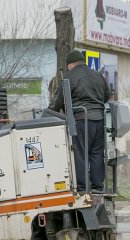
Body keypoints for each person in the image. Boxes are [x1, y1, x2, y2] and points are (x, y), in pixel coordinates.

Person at [48, 50, 111, 192]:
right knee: (97, 153)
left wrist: (46, 116)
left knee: (80, 153)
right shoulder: (98, 75)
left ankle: (82, 188)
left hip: (81, 120)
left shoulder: (69, 77)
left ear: (71, 64)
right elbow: (107, 95)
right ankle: (97, 187)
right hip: (100, 120)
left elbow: (57, 102)